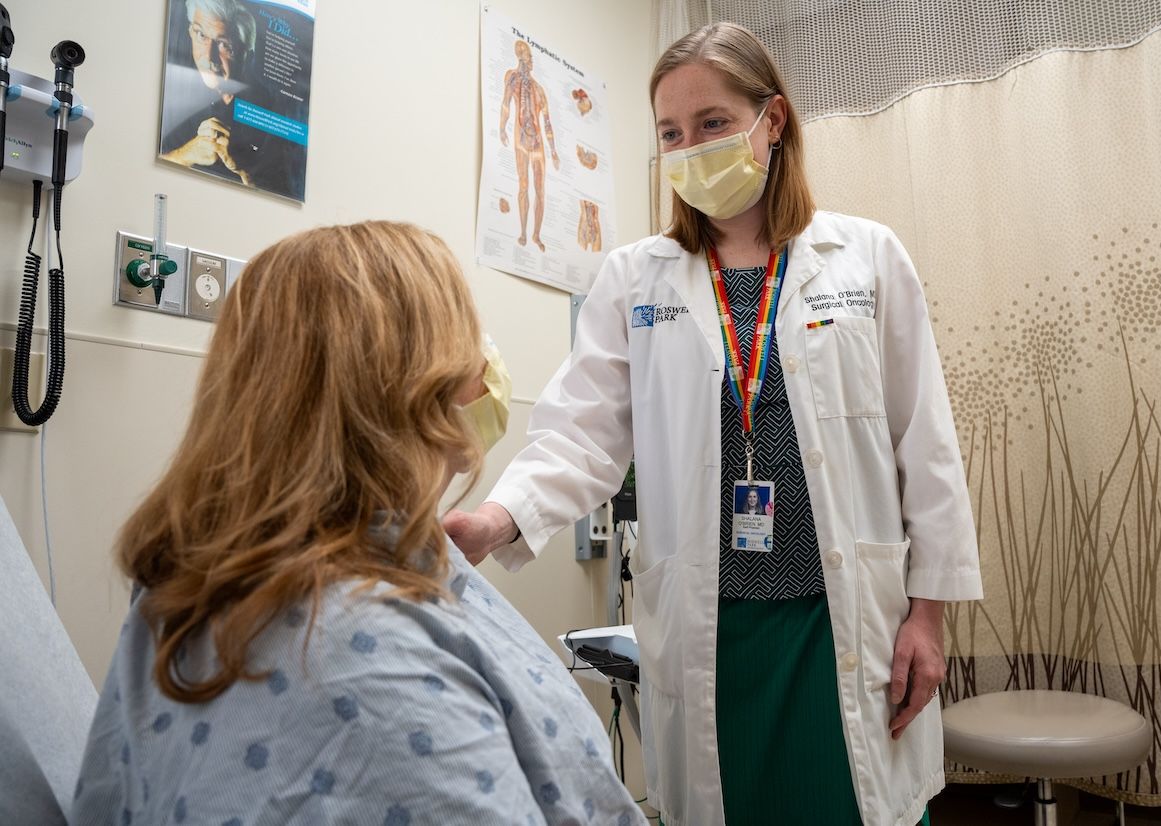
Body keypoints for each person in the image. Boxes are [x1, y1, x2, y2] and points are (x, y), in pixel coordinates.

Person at [447, 22, 982, 826]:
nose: (690, 147)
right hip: (711, 634)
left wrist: (929, 615)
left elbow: (926, 445)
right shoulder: (636, 278)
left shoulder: (866, 258)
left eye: (713, 124)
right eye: (671, 132)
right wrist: (496, 518)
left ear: (773, 122)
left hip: (838, 622)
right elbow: (581, 432)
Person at [69, 222, 642, 826]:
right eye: (471, 340)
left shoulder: (185, 589)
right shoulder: (373, 669)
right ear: (414, 391)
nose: (486, 364)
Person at [160, 0, 307, 200]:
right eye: (201, 35)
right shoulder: (173, 89)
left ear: (247, 54)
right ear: (189, 32)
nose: (209, 57)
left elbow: (289, 195)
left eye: (223, 44)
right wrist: (186, 154)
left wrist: (243, 169)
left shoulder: (275, 112)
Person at [500, 40, 561, 252]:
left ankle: (536, 234)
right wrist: (502, 128)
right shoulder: (513, 78)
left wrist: (553, 150)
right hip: (521, 140)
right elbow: (506, 103)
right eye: (527, 57)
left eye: (531, 57)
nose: (531, 61)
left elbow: (547, 122)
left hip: (538, 144)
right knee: (523, 185)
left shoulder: (538, 89)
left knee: (540, 191)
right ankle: (524, 232)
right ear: (521, 58)